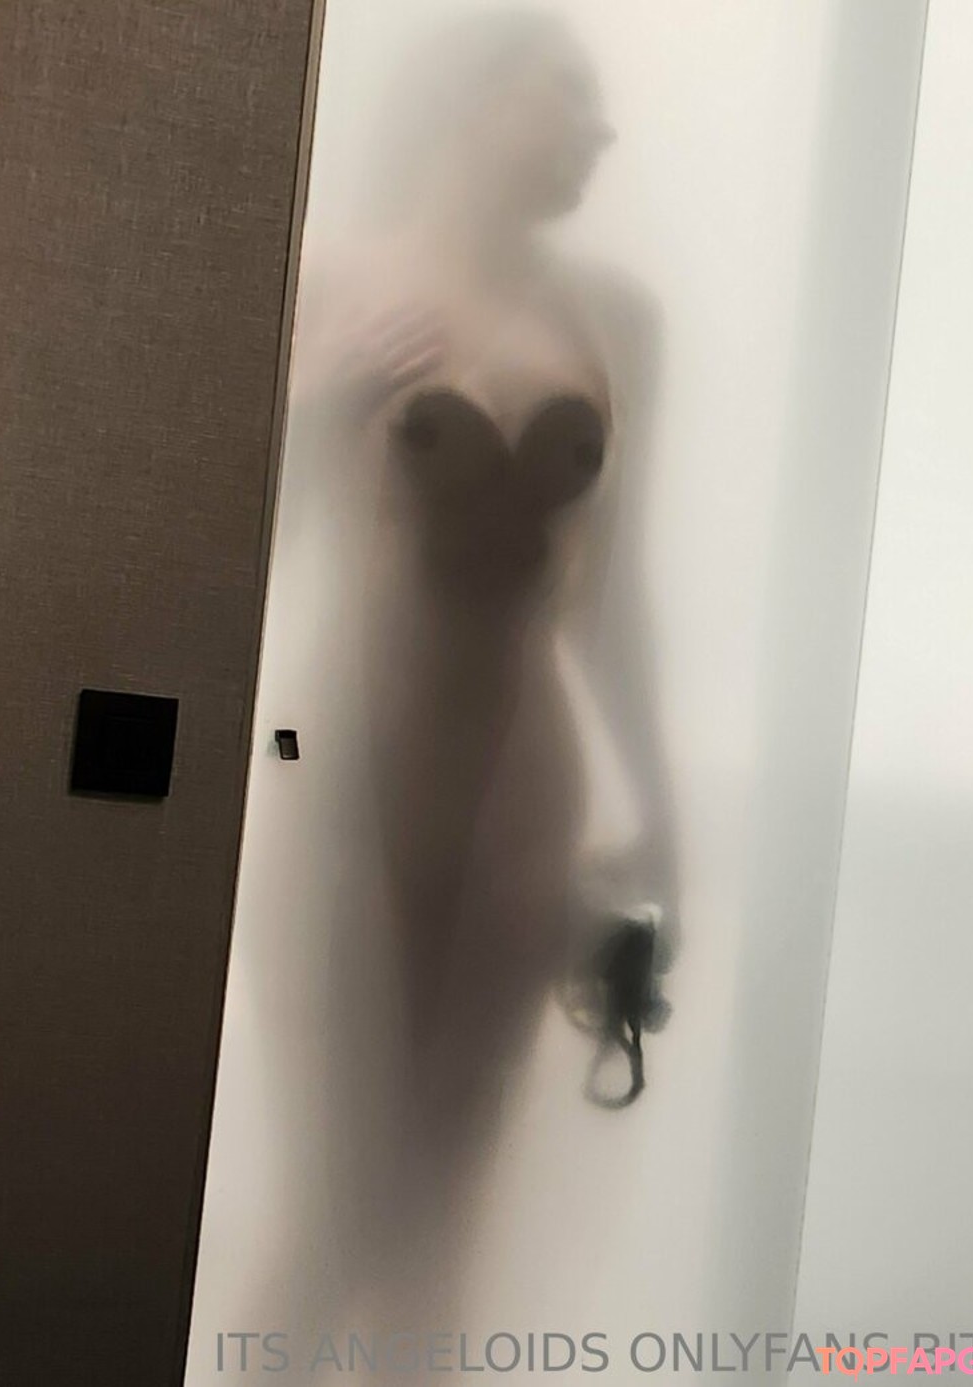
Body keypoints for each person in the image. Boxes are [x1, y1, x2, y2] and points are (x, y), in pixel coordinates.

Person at [283, 5, 680, 1361]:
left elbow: (615, 591)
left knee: (447, 1201)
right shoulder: (332, 279)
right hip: (351, 772)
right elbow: (222, 559)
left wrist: (663, 812)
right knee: (347, 1199)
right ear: (475, 99)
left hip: (526, 785)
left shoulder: (616, 320)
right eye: (568, 92)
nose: (602, 130)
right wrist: (315, 409)